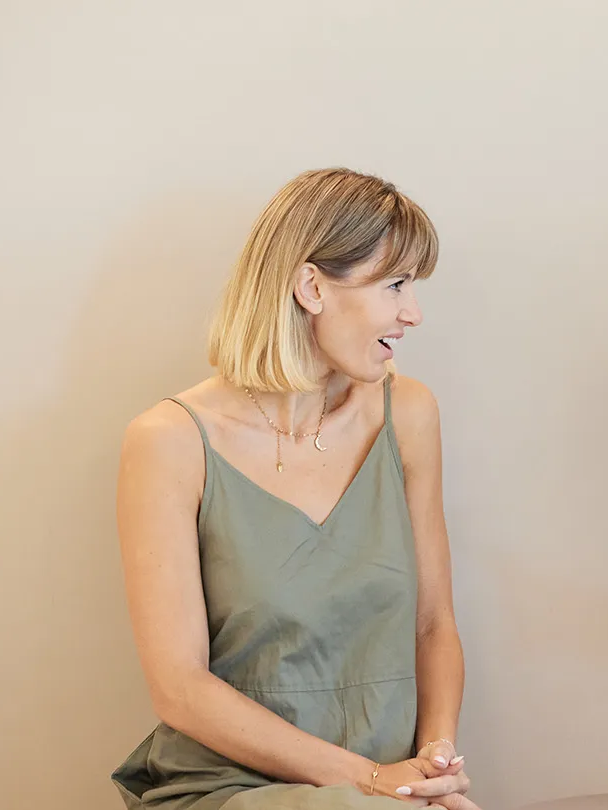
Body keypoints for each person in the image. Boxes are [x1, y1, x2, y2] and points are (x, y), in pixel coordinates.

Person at [111, 168, 479, 810]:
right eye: (395, 284)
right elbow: (180, 688)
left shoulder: (408, 414)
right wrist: (368, 781)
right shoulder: (170, 441)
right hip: (234, 787)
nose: (412, 313)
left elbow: (432, 625)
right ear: (311, 287)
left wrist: (434, 763)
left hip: (389, 789)